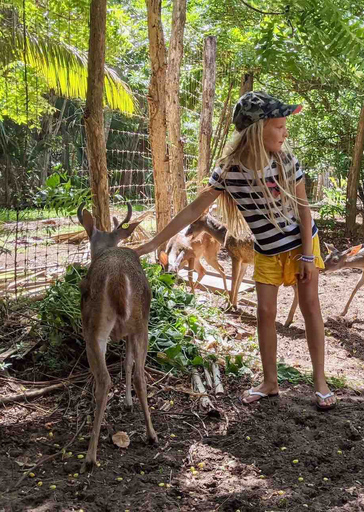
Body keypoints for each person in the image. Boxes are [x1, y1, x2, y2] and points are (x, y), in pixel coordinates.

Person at [135, 91, 336, 411]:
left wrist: (309, 257)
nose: (286, 132)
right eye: (280, 126)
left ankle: (320, 381)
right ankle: (270, 382)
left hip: (301, 244)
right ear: (257, 131)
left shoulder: (286, 161)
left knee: (310, 306)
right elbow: (193, 211)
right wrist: (152, 243)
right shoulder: (229, 171)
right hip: (268, 251)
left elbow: (304, 210)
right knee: (265, 313)